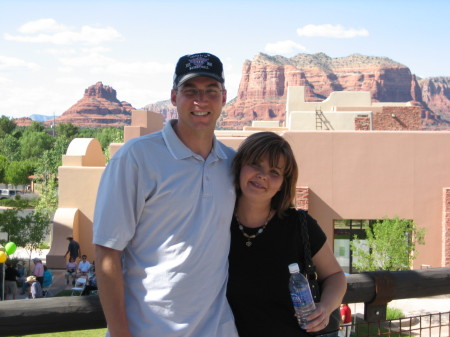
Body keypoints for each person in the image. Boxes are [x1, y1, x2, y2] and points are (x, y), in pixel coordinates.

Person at [93, 52, 238, 337]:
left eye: (211, 91)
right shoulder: (135, 158)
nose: (201, 100)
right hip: (148, 329)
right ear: (174, 97)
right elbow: (107, 251)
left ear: (223, 97)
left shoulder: (233, 165)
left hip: (217, 329)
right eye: (190, 91)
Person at [227, 132, 347, 337]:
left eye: (274, 171)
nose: (263, 175)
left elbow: (336, 276)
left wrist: (325, 308)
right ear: (240, 166)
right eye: (255, 164)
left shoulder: (300, 226)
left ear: (284, 182)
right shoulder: (216, 221)